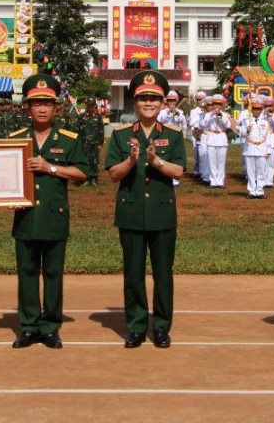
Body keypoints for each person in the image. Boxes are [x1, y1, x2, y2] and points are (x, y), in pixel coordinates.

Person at [7, 75, 91, 349]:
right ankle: (29, 327)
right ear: (27, 107)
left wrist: (51, 168)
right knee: (27, 273)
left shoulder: (68, 139)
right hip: (26, 217)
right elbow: (3, 177)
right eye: (36, 103)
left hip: (54, 216)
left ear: (57, 108)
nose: (42, 108)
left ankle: (51, 326)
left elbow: (82, 173)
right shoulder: (16, 139)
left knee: (53, 273)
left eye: (47, 103)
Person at [105, 71, 186, 348]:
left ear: (163, 103)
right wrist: (131, 160)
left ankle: (162, 327)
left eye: (154, 98)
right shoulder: (121, 135)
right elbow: (114, 174)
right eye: (143, 98)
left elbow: (180, 171)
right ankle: (137, 326)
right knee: (133, 274)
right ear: (134, 102)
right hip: (131, 212)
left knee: (163, 274)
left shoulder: (173, 135)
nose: (148, 103)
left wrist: (156, 161)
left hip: (162, 214)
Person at [237, 95, 274, 199]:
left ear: (262, 109)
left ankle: (260, 191)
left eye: (259, 109)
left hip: (261, 149)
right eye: (255, 108)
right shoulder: (246, 121)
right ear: (251, 109)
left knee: (261, 171)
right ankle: (252, 191)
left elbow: (268, 138)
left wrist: (268, 151)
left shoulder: (265, 122)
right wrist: (246, 130)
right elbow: (241, 133)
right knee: (250, 171)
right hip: (249, 148)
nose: (257, 111)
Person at [201, 94, 231, 188]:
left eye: (219, 104)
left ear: (222, 105)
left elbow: (228, 126)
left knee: (221, 162)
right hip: (211, 138)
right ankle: (213, 181)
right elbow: (202, 125)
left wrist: (221, 117)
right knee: (212, 161)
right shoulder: (207, 115)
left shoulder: (225, 115)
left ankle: (220, 181)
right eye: (215, 103)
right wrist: (212, 114)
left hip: (221, 137)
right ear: (212, 104)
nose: (217, 106)